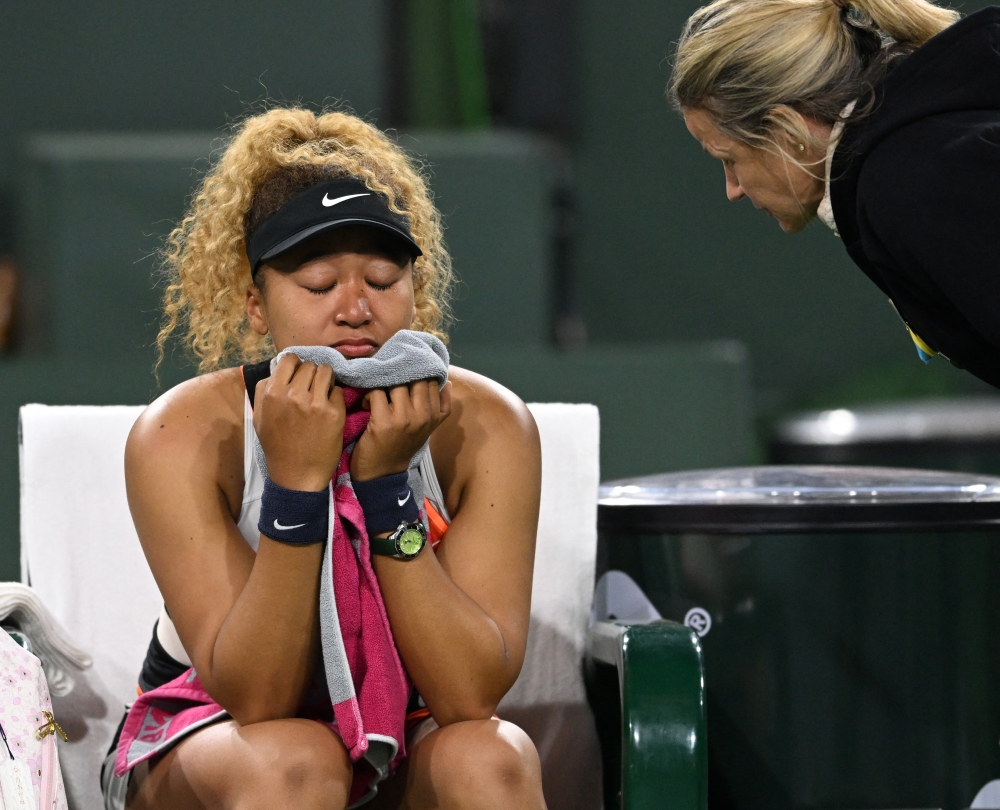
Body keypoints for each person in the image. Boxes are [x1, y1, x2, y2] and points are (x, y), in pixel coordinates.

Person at [101, 107, 546, 810]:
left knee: (490, 757)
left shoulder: (486, 424)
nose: (355, 308)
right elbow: (257, 696)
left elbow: (468, 695)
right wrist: (299, 485)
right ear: (255, 305)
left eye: (381, 278)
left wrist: (386, 487)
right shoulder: (183, 432)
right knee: (296, 760)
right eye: (317, 285)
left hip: (406, 724)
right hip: (217, 736)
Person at [671, 0, 1000, 388]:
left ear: (786, 131)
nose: (733, 190)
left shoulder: (911, 180)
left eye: (729, 159)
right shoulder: (916, 161)